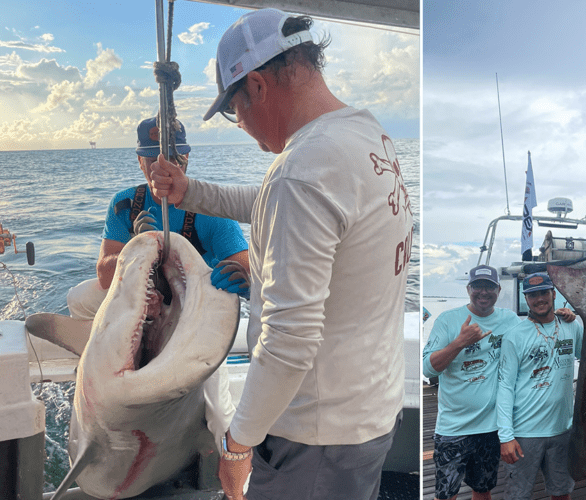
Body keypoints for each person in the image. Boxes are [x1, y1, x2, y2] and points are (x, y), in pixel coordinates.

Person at [148, 8, 413, 500]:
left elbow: (290, 342)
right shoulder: (363, 134)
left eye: (234, 109)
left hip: (315, 438)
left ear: (259, 86)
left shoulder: (304, 167)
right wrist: (190, 191)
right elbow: (280, 203)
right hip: (369, 415)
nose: (241, 124)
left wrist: (236, 445)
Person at [66, 116, 249, 319]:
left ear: (186, 157)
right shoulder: (124, 204)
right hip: (140, 295)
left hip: (195, 299)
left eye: (173, 160)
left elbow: (244, 265)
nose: (163, 170)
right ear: (140, 162)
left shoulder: (208, 206)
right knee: (80, 297)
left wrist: (239, 276)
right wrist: (136, 249)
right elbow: (105, 276)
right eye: (154, 161)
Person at [423, 265, 522, 500]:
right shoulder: (448, 320)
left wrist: (562, 318)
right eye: (478, 286)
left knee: (483, 489)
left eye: (489, 286)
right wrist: (460, 342)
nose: (483, 292)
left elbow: (534, 336)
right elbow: (428, 368)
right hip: (453, 427)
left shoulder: (509, 319)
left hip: (490, 427)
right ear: (469, 288)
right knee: (445, 494)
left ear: (499, 289)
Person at [496, 272, 582, 500]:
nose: (539, 299)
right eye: (533, 295)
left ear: (553, 294)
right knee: (517, 496)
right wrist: (505, 436)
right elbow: (505, 386)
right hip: (525, 433)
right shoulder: (514, 335)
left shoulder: (572, 326)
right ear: (526, 298)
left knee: (562, 492)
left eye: (544, 292)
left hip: (563, 429)